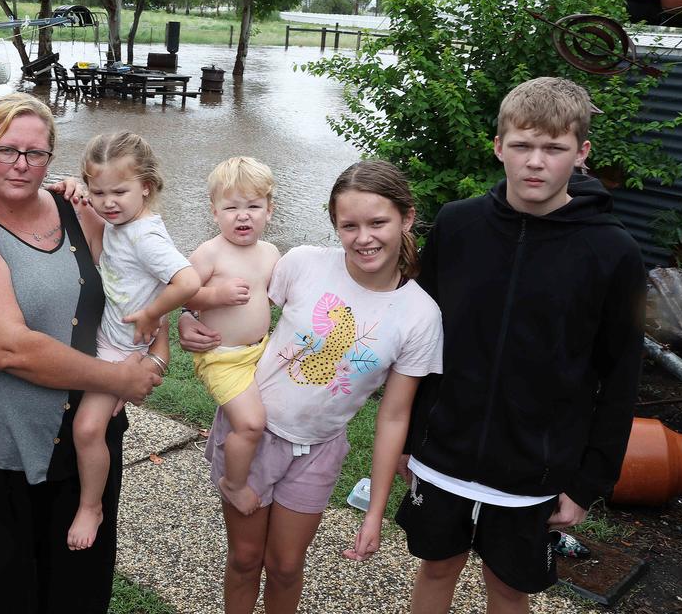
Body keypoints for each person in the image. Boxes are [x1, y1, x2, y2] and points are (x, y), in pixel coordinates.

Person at [398, 77, 646, 614]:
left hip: (534, 468)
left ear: (581, 153)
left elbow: (622, 375)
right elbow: (415, 337)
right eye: (522, 145)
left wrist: (589, 482)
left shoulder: (613, 252)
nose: (536, 162)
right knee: (436, 565)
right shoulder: (459, 226)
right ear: (498, 146)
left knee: (509, 585)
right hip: (443, 450)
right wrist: (406, 437)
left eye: (554, 149)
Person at [0, 93, 166, 614]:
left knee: (80, 587)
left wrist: (175, 331)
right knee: (6, 593)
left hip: (85, 440)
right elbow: (8, 348)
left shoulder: (76, 209)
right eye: (6, 149)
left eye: (35, 153)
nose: (20, 164)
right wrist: (116, 378)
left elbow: (134, 280)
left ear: (52, 159)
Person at [179, 160, 444, 614]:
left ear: (408, 217)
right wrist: (188, 320)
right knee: (244, 559)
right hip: (254, 433)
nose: (364, 237)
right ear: (335, 227)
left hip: (319, 450)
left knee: (285, 566)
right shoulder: (301, 264)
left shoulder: (420, 315)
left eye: (378, 222)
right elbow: (237, 311)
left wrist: (375, 510)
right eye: (349, 225)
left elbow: (394, 415)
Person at [69, 131, 201, 550]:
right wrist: (74, 191)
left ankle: (91, 506)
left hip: (120, 351)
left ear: (146, 186)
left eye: (120, 191)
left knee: (87, 430)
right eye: (98, 191)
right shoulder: (118, 223)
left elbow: (189, 280)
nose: (107, 202)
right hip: (109, 341)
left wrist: (152, 312)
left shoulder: (145, 236)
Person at [184, 157, 280, 517]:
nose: (243, 216)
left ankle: (232, 447)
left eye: (254, 206)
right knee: (252, 423)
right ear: (214, 212)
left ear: (269, 211)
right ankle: (233, 482)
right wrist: (213, 296)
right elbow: (178, 293)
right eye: (232, 207)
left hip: (262, 350)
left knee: (279, 412)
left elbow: (276, 296)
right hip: (222, 356)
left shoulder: (270, 253)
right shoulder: (209, 253)